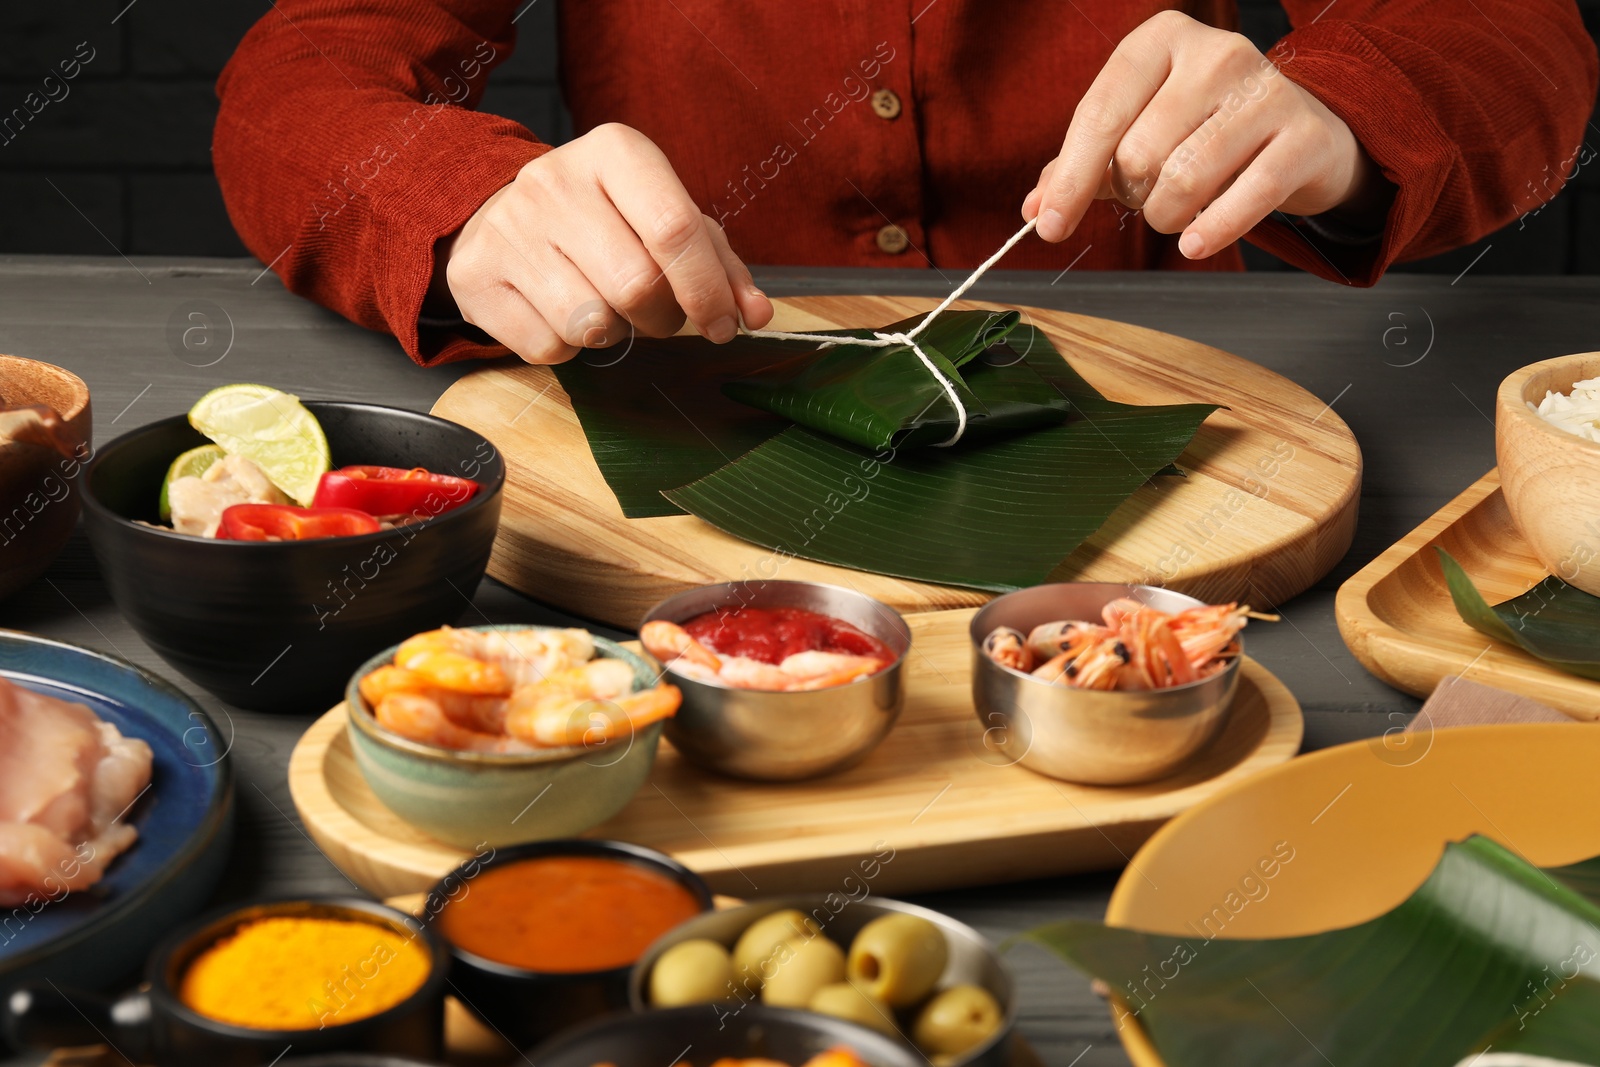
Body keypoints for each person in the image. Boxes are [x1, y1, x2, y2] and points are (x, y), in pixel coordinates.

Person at [214, 1, 1597, 368]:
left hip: (1166, 407)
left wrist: (1342, 111)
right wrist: (453, 200)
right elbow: (297, 80)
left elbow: (1518, 40)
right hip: (693, 400)